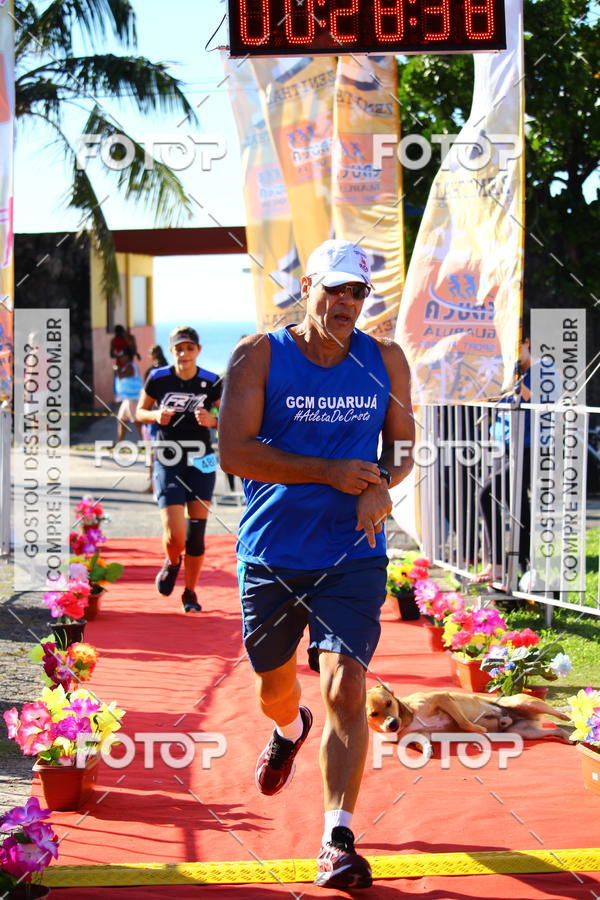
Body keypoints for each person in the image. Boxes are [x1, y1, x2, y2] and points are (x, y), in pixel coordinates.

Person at [218, 239, 415, 890]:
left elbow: (406, 444)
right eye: (335, 289)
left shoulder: (384, 359)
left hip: (351, 553)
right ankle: (288, 728)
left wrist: (385, 483)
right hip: (272, 550)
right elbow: (235, 454)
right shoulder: (258, 356)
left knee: (347, 688)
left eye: (358, 292)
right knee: (277, 688)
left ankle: (338, 839)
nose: (346, 303)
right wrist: (327, 472)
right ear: (308, 286)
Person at [135, 326, 222, 613]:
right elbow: (139, 411)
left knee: (196, 534)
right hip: (168, 457)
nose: (184, 354)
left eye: (189, 348)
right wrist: (155, 415)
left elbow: (230, 417)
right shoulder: (159, 378)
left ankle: (190, 593)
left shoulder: (211, 381)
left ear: (198, 351)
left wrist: (213, 420)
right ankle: (173, 562)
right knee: (175, 535)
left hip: (202, 460)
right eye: (178, 349)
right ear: (171, 352)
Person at [472, 336, 532, 584]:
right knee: (517, 505)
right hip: (502, 444)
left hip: (527, 446)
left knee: (487, 494)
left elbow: (531, 399)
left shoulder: (544, 370)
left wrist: (513, 380)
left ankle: (496, 564)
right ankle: (524, 565)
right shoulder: (501, 367)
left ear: (527, 342)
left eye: (517, 345)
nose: (513, 352)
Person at [142, 345, 169, 493]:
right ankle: (154, 484)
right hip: (161, 416)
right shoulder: (166, 368)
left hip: (155, 416)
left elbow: (146, 397)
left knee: (152, 452)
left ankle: (153, 485)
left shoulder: (153, 372)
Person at [114, 349, 143, 444]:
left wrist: (116, 370)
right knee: (122, 419)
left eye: (123, 356)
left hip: (133, 398)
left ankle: (145, 441)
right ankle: (119, 442)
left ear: (128, 357)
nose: (121, 358)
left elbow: (121, 376)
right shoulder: (128, 366)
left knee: (137, 421)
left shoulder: (130, 366)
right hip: (127, 399)